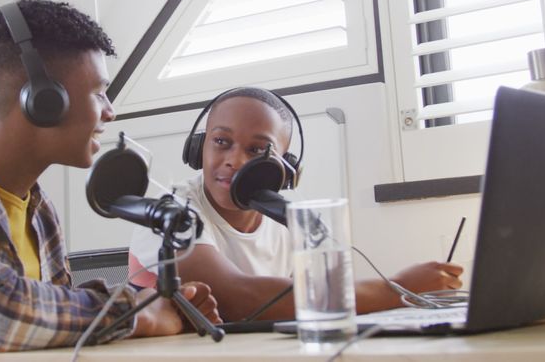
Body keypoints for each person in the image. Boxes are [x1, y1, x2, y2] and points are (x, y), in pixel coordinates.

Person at [0, 0, 219, 360]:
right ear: (44, 100)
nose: (110, 112)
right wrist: (136, 315)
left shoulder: (38, 208)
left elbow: (55, 331)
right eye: (98, 93)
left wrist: (154, 304)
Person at [128, 87, 463, 322]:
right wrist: (398, 290)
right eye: (221, 141)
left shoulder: (288, 218)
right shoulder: (167, 210)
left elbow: (324, 291)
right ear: (197, 147)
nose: (234, 160)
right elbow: (237, 299)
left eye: (257, 150)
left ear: (284, 168)